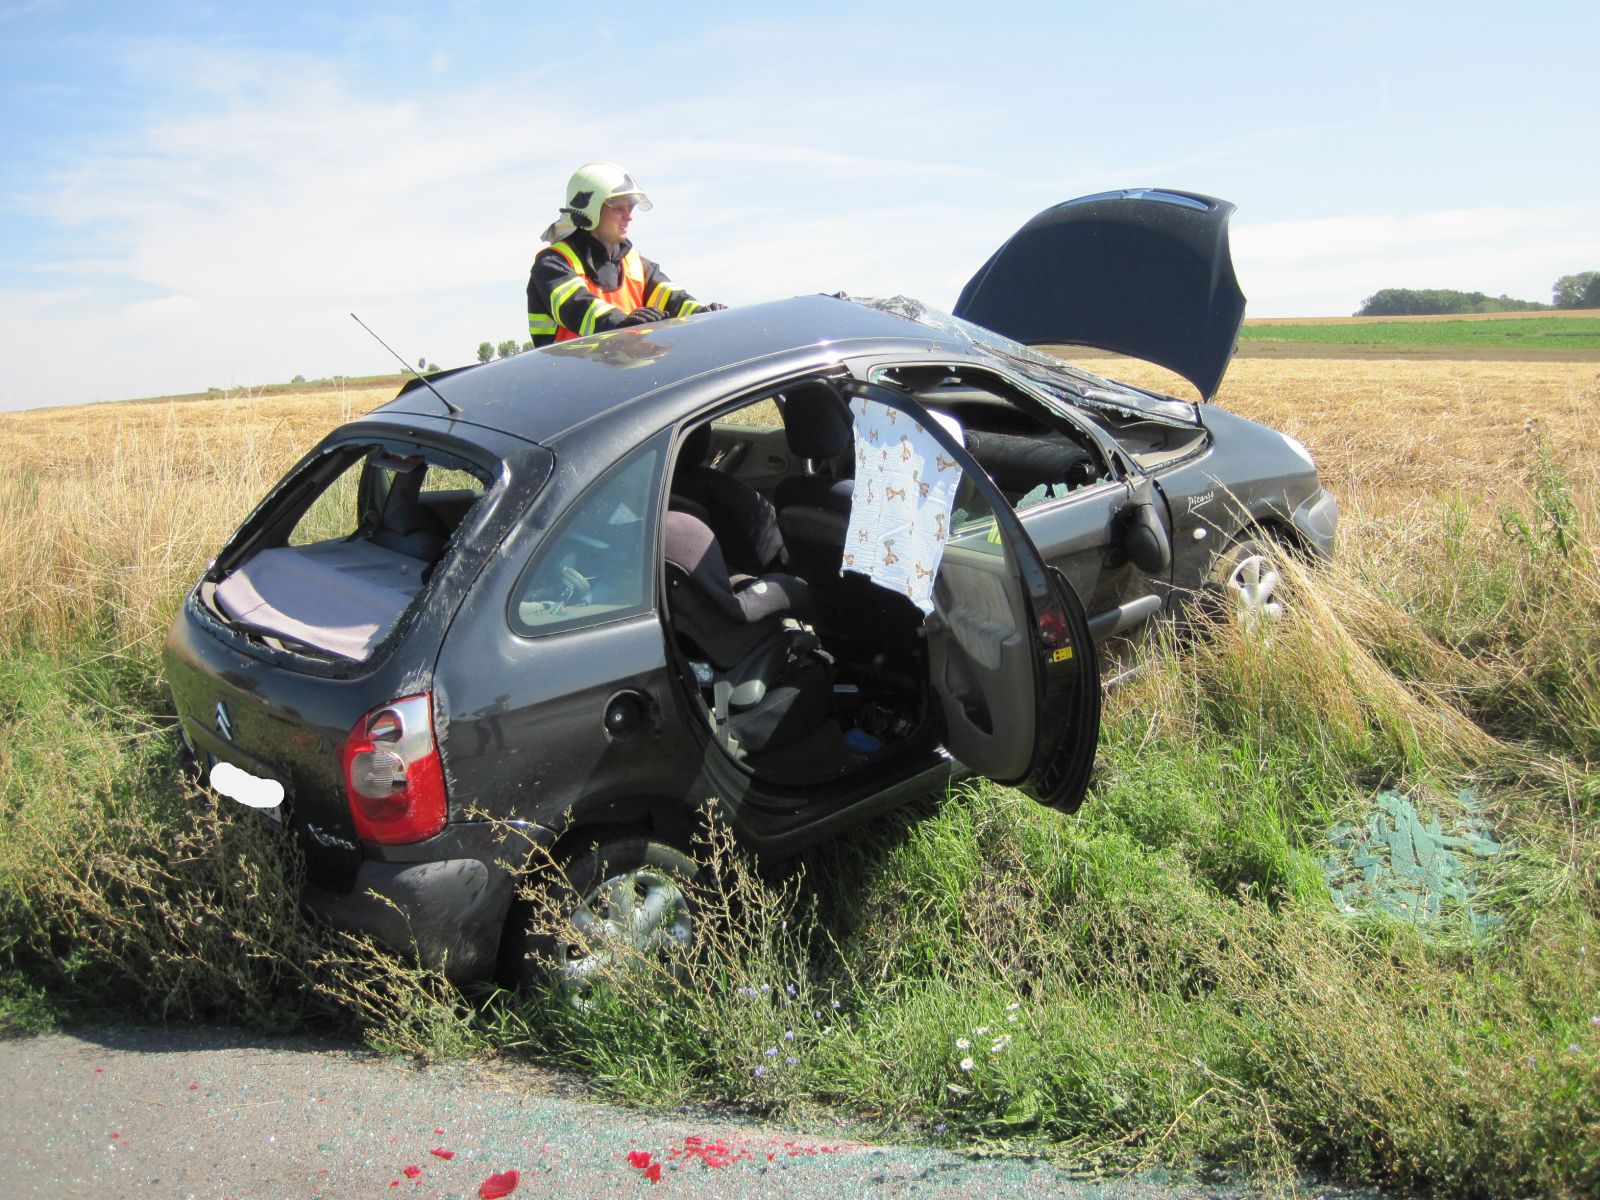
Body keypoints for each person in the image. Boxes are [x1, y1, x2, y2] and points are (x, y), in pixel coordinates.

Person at [526, 161, 724, 347]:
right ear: (589, 211)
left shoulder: (635, 265)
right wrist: (622, 325)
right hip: (572, 372)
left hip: (628, 370)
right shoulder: (553, 264)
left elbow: (674, 299)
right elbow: (579, 308)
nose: (629, 217)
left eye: (630, 208)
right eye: (619, 208)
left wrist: (704, 315)